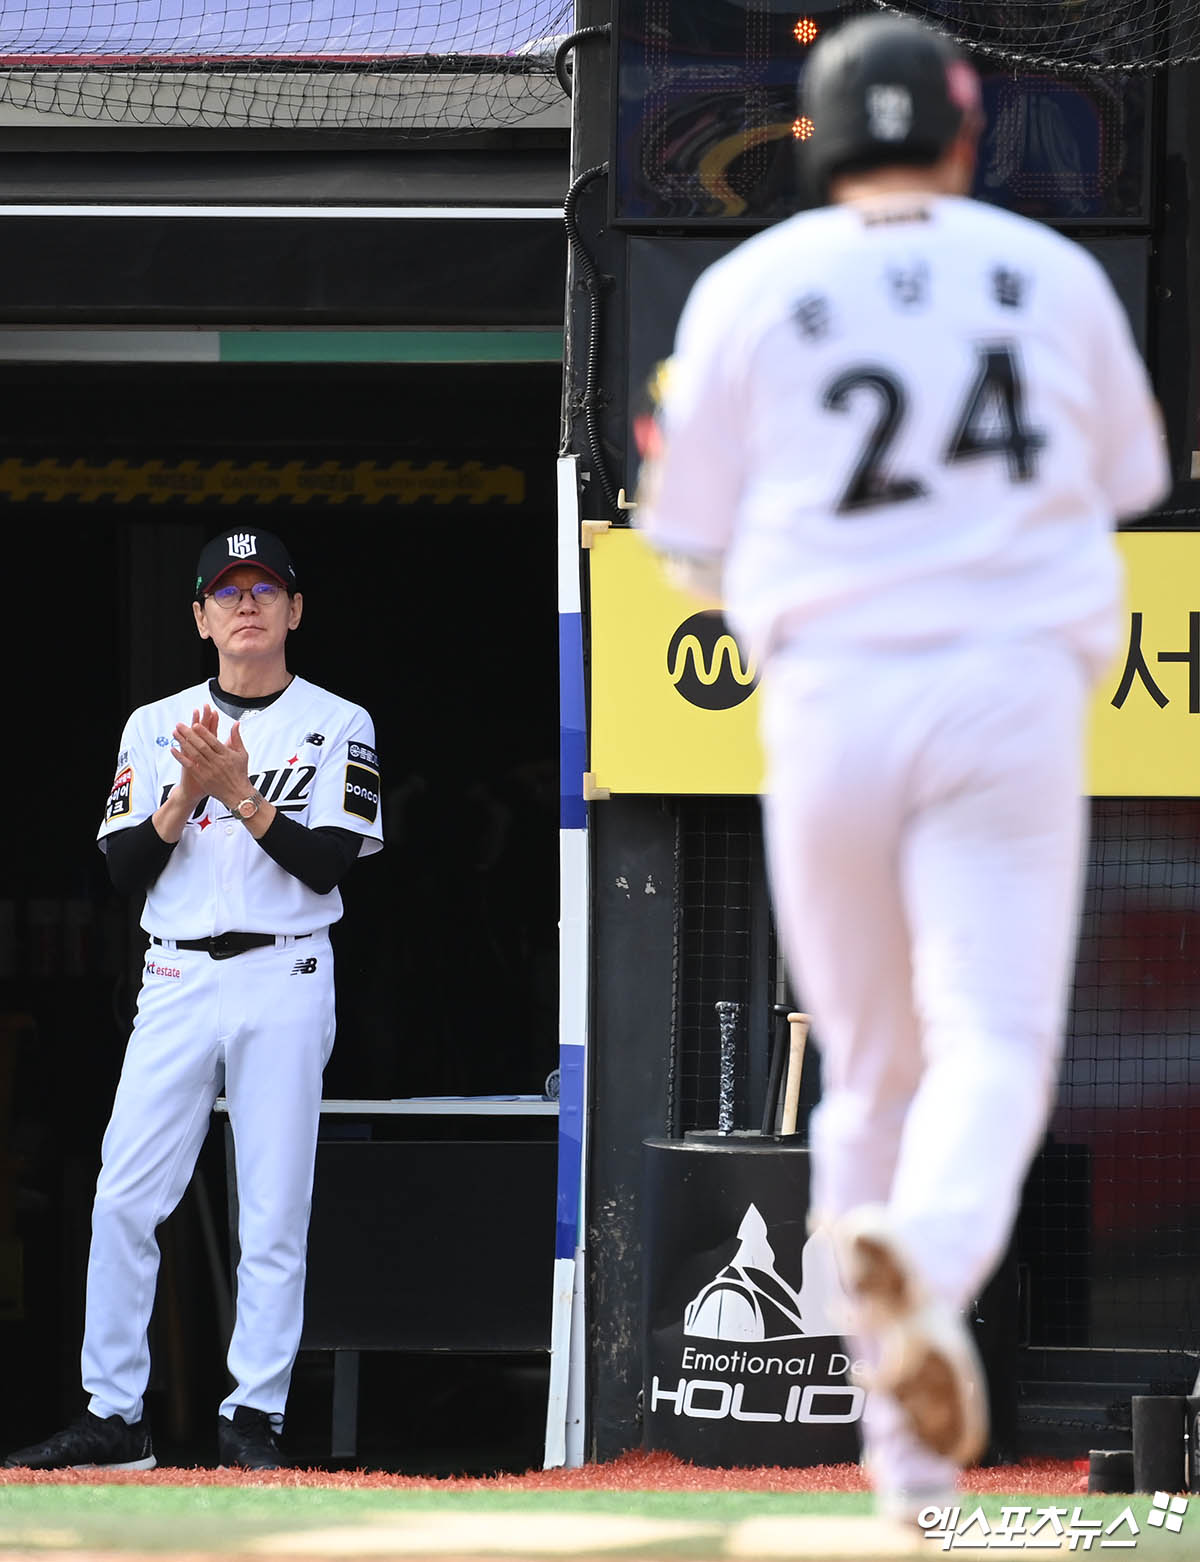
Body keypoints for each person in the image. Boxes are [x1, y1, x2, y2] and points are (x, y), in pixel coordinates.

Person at [636, 13, 1169, 1521]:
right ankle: (926, 1263)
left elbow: (684, 542)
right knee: (991, 1038)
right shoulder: (1051, 274)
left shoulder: (750, 285)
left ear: (813, 136)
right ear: (957, 134)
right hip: (1000, 683)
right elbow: (1131, 477)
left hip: (831, 691)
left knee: (864, 1067)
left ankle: (900, 1452)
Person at [5, 525, 383, 1472]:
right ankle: (114, 1416)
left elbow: (330, 860)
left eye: (264, 588)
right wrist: (187, 794)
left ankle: (252, 1417)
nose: (245, 603)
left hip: (285, 967)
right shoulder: (154, 722)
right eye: (226, 590)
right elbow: (123, 867)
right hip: (175, 970)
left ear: (295, 609)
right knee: (124, 1194)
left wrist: (245, 796)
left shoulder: (339, 721)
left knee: (271, 1206)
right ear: (201, 617)